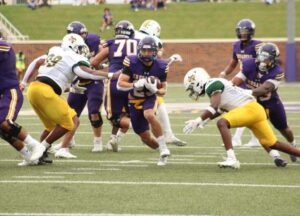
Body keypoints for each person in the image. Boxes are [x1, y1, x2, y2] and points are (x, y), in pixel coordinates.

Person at [21, 33, 117, 164]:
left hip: (33, 89)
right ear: (73, 46)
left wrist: (24, 82)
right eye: (79, 47)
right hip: (45, 92)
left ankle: (38, 155)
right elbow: (88, 73)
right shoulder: (73, 56)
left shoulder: (55, 51)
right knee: (70, 122)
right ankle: (41, 148)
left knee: (51, 127)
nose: (81, 51)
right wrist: (111, 75)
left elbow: (36, 62)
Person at [182, 68, 300, 169]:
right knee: (273, 143)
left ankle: (231, 159)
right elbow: (220, 109)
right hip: (256, 110)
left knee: (222, 123)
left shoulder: (211, 85)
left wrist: (199, 119)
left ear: (197, 82)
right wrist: (204, 120)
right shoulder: (217, 83)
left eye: (192, 87)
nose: (193, 91)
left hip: (249, 110)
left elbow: (214, 106)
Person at [231, 42, 297, 163]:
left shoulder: (277, 72)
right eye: (261, 57)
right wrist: (230, 87)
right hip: (255, 105)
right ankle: (276, 157)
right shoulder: (249, 64)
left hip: (272, 103)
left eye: (267, 58)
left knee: (284, 129)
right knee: (261, 130)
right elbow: (236, 80)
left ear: (273, 60)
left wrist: (245, 92)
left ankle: (292, 144)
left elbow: (264, 89)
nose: (263, 61)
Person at [49, 21, 105, 158]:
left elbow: (104, 50)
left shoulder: (93, 41)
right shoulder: (67, 46)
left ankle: (98, 141)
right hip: (78, 81)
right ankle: (69, 141)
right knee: (70, 114)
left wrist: (101, 64)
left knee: (94, 112)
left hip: (93, 81)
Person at [117, 36, 170, 166]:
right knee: (144, 137)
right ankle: (160, 151)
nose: (146, 53)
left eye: (149, 51)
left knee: (149, 115)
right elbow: (120, 84)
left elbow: (164, 90)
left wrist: (155, 90)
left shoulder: (161, 66)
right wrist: (135, 84)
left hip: (149, 97)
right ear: (140, 50)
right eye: (144, 51)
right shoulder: (132, 61)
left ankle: (164, 147)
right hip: (134, 99)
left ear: (155, 51)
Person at [135, 19, 186, 146]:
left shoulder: (133, 35)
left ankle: (114, 138)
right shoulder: (151, 40)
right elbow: (156, 62)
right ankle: (168, 134)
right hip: (139, 75)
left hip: (124, 75)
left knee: (126, 109)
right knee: (158, 102)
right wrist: (170, 59)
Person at [91, 20, 137, 152]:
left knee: (115, 117)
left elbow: (94, 62)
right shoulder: (138, 43)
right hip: (131, 83)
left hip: (115, 82)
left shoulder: (111, 43)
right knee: (127, 113)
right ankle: (113, 140)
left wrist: (106, 68)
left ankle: (135, 125)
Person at [0, 38, 46, 166]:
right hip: (2, 94)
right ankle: (28, 156)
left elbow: (6, 45)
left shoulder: (4, 46)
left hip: (10, 91)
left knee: (5, 123)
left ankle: (35, 146)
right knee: (3, 131)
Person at [219, 18, 262, 148]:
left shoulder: (258, 45)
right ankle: (249, 139)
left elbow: (263, 63)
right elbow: (234, 62)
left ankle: (241, 139)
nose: (243, 34)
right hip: (243, 79)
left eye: (245, 31)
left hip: (255, 80)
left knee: (249, 109)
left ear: (251, 32)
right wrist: (224, 73)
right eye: (241, 31)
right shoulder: (236, 45)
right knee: (246, 108)